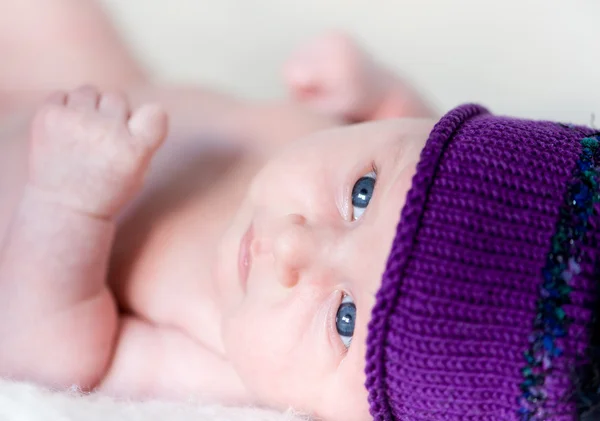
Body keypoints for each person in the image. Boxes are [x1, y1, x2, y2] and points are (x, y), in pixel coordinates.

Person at [2, 2, 600, 421]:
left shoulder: (227, 361)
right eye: (361, 196)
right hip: (104, 90)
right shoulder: (405, 155)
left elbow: (49, 358)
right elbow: (415, 135)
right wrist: (376, 88)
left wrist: (68, 203)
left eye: (344, 319)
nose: (292, 247)